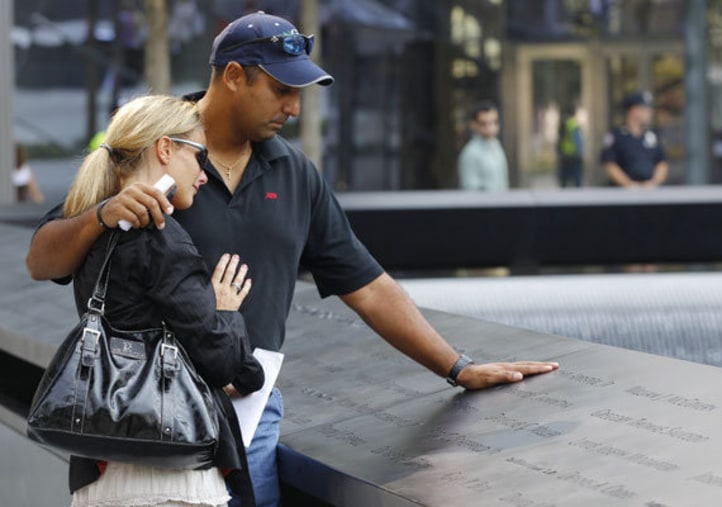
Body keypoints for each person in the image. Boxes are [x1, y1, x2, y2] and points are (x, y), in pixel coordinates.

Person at [26, 12, 559, 507]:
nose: (295, 108)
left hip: (250, 416)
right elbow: (42, 261)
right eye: (281, 90)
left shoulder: (295, 175)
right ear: (234, 76)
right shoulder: (152, 149)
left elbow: (367, 286)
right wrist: (101, 215)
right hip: (143, 420)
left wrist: (457, 367)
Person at [59, 95, 263, 507]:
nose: (204, 175)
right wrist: (224, 309)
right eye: (199, 156)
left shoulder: (95, 231)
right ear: (166, 149)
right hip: (169, 476)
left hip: (99, 472)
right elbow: (222, 360)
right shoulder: (162, 239)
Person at [601, 91, 668, 188]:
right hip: (622, 195)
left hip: (650, 193)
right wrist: (628, 185)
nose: (650, 113)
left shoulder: (652, 136)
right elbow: (609, 164)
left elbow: (662, 163)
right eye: (645, 109)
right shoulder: (617, 136)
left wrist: (654, 183)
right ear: (634, 110)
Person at [457, 101, 509, 191]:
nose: (490, 127)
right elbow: (470, 188)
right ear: (473, 125)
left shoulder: (496, 145)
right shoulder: (470, 153)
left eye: (494, 122)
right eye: (484, 124)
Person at [556, 103, 584, 188]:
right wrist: (581, 154)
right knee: (577, 180)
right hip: (574, 155)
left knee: (564, 180)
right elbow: (578, 141)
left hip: (564, 155)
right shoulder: (573, 123)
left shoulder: (563, 123)